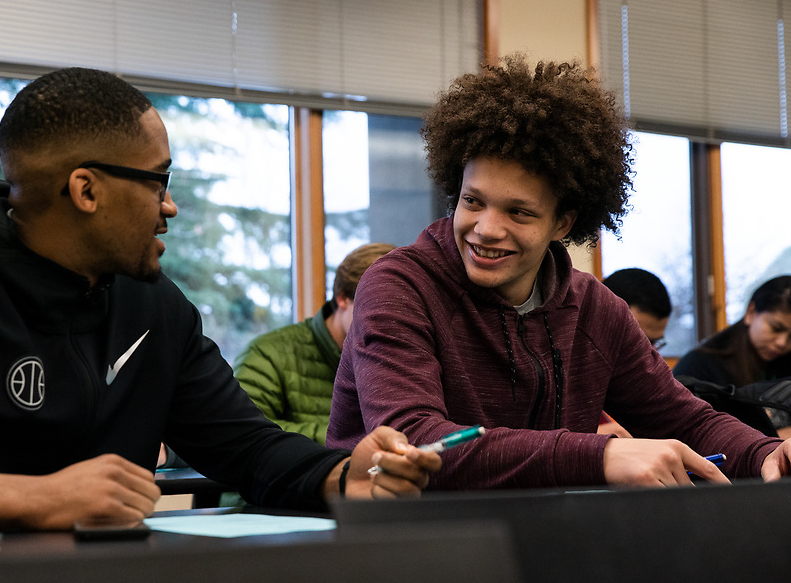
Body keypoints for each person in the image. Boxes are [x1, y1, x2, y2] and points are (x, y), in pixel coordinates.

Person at [0, 67, 441, 531]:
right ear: (86, 189)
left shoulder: (156, 311)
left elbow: (250, 451)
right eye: (157, 182)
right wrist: (35, 498)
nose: (170, 206)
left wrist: (342, 474)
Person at [326, 54, 791, 491]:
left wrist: (766, 454)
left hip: (541, 543)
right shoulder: (397, 288)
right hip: (400, 547)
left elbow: (685, 420)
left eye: (519, 212)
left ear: (563, 223)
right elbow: (418, 443)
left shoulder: (594, 311)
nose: (486, 229)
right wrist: (602, 456)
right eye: (473, 201)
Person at [233, 242, 395, 445]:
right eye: (377, 310)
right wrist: (355, 441)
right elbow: (240, 434)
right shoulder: (267, 355)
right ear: (343, 298)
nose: (392, 325)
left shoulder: (406, 355)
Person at [674, 276, 791, 438]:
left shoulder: (785, 362)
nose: (782, 343)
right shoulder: (699, 366)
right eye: (776, 328)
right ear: (751, 312)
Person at [598, 267, 674, 438]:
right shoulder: (562, 366)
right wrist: (594, 438)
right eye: (639, 340)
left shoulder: (650, 385)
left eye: (654, 343)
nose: (649, 353)